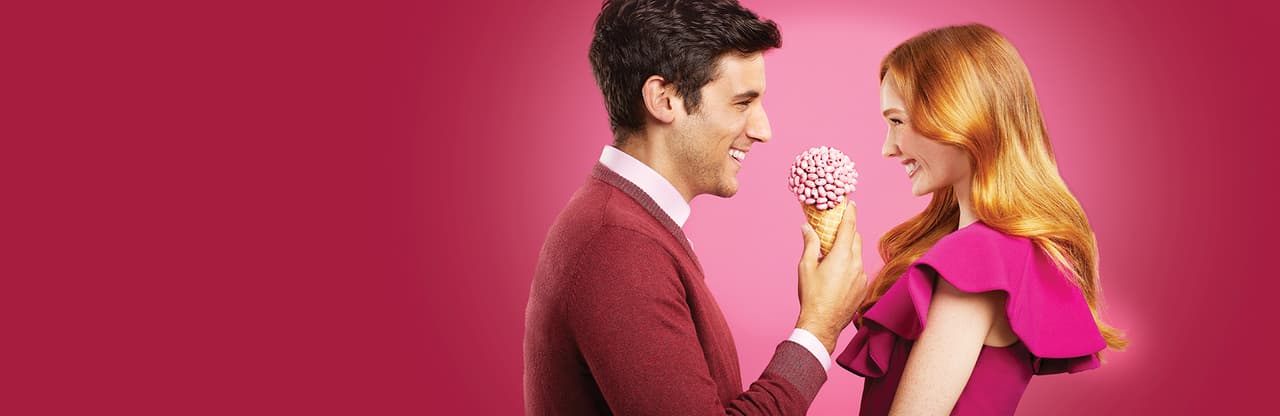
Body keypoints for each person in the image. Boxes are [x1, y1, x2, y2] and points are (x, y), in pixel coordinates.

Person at [524, 0, 868, 414]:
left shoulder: (627, 222)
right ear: (665, 99)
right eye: (742, 103)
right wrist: (818, 327)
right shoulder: (617, 246)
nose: (763, 130)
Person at [834, 24, 1128, 415]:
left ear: (957, 113)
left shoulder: (977, 257)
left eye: (898, 122)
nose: (888, 148)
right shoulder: (1003, 252)